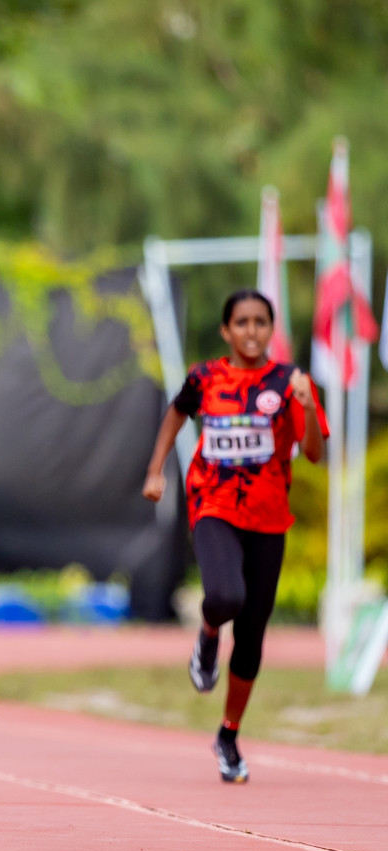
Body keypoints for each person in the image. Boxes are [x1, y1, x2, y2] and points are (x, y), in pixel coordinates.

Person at [143, 288, 326, 784]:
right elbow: (177, 412)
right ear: (226, 330)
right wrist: (156, 470)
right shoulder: (206, 378)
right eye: (241, 322)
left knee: (250, 638)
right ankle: (206, 635)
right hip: (215, 505)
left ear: (271, 329)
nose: (251, 331)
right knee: (225, 595)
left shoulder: (290, 383)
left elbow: (313, 454)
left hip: (269, 518)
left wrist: (308, 408)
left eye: (260, 322)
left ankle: (228, 734)